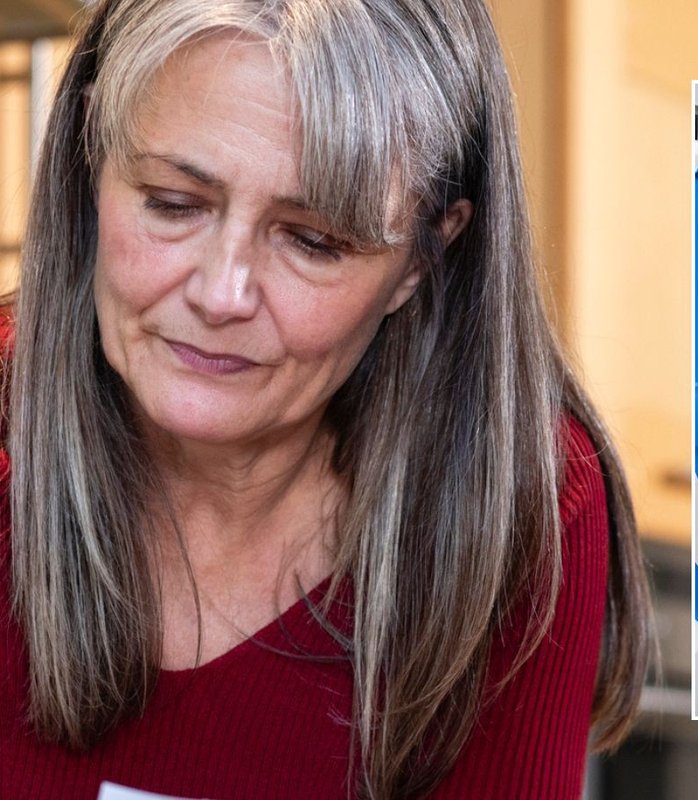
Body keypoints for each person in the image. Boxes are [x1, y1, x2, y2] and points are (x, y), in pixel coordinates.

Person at [0, 1, 651, 798]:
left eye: (313, 242)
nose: (221, 294)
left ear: (422, 257)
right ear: (90, 155)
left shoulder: (518, 502)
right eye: (172, 202)